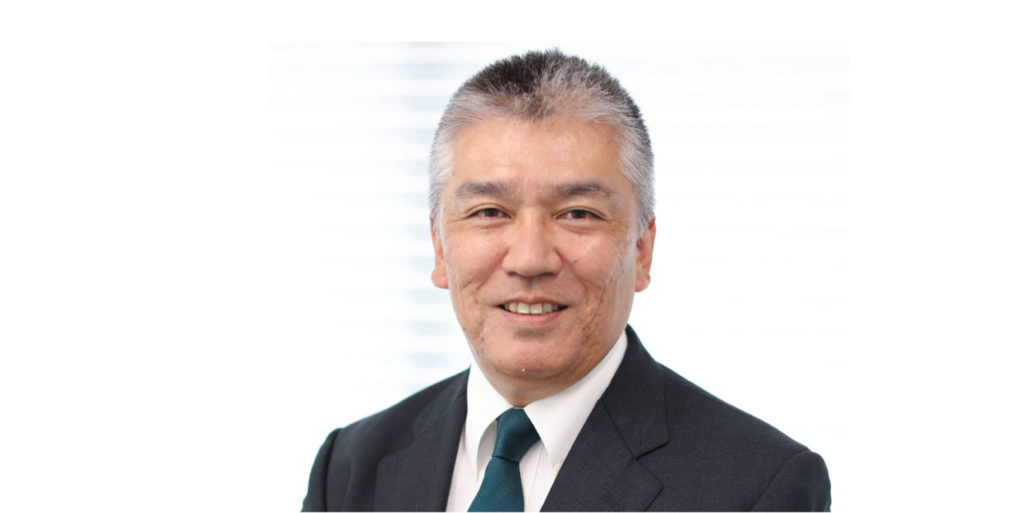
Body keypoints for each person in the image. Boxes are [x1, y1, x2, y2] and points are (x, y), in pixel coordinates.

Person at [302, 49, 831, 512]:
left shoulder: (759, 487)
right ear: (440, 247)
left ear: (641, 250)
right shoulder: (349, 467)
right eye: (489, 212)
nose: (530, 259)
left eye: (578, 214)